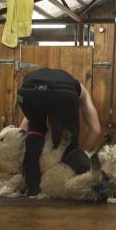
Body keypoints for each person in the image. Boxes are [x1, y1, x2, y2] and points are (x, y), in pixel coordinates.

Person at [17, 68, 101, 196]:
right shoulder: (81, 91)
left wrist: (21, 158)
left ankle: (31, 186)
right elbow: (96, 129)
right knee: (68, 144)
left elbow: (23, 130)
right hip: (64, 93)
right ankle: (97, 183)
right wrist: (82, 153)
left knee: (35, 134)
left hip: (27, 91)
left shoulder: (43, 83)